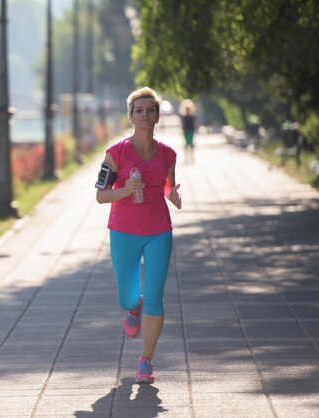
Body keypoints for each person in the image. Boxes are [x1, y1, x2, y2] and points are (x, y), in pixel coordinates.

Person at [95, 86, 182, 384]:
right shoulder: (116, 153)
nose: (145, 114)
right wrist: (125, 190)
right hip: (123, 231)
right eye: (140, 110)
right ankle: (133, 309)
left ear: (158, 116)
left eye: (151, 110)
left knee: (156, 297)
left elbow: (168, 185)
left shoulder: (168, 154)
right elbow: (101, 196)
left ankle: (145, 362)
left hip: (159, 230)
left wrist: (173, 195)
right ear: (131, 116)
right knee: (128, 296)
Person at [179, 98, 197, 164]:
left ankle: (192, 159)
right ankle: (186, 159)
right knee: (186, 144)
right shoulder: (184, 117)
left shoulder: (193, 116)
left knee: (191, 144)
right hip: (186, 131)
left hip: (191, 131)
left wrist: (196, 129)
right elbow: (182, 124)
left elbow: (195, 124)